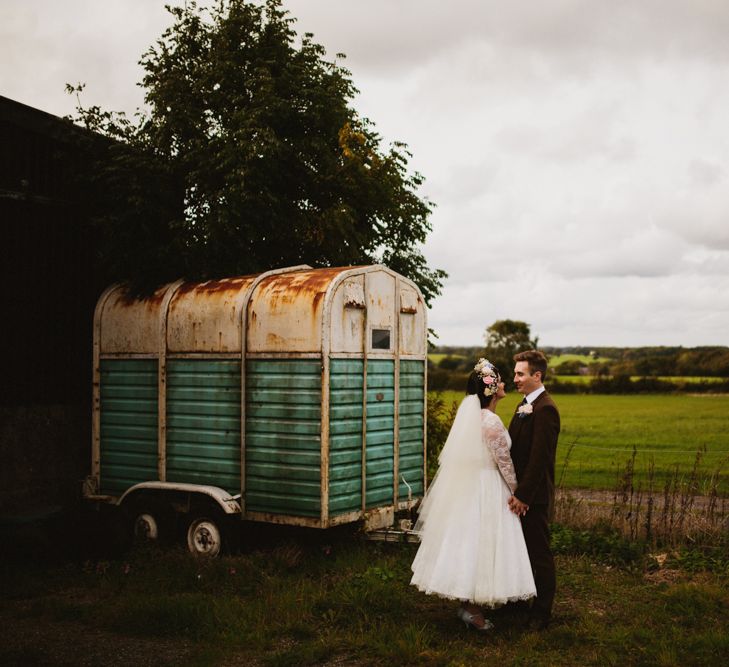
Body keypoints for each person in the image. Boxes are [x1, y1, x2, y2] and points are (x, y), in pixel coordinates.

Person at [410, 358, 536, 630]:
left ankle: (469, 605)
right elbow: (505, 463)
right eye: (499, 380)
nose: (504, 383)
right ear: (491, 389)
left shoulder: (474, 418)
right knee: (483, 544)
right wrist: (517, 494)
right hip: (488, 487)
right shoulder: (490, 421)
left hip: (472, 487)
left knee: (470, 543)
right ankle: (473, 611)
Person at [507, 349, 561, 631]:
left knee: (539, 554)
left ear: (536, 375)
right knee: (521, 551)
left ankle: (542, 613)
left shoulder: (546, 409)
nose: (515, 378)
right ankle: (519, 602)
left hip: (534, 497)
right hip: (520, 494)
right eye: (515, 373)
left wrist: (524, 496)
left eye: (520, 373)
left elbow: (540, 460)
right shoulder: (524, 405)